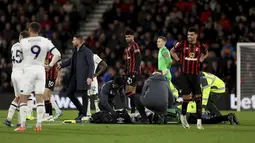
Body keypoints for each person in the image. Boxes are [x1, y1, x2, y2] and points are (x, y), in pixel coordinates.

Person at [16, 22, 61, 131]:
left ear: (29, 30)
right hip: (41, 70)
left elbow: (20, 58)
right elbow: (58, 54)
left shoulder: (23, 41)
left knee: (24, 97)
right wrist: (50, 65)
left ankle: (22, 125)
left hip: (29, 70)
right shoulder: (45, 41)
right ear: (39, 30)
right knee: (40, 97)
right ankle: (38, 125)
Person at [170, 27, 208, 129]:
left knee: (198, 98)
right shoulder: (182, 44)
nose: (189, 37)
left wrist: (201, 59)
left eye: (191, 35)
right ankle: (183, 116)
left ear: (196, 35)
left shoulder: (200, 45)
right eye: (188, 35)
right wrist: (178, 61)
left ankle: (199, 123)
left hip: (195, 74)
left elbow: (206, 52)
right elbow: (172, 51)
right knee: (186, 98)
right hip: (184, 75)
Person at [58, 35, 94, 120]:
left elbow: (91, 65)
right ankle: (82, 110)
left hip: (83, 76)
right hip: (75, 76)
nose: (72, 42)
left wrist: (90, 76)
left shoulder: (87, 51)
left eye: (74, 40)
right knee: (69, 93)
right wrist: (61, 65)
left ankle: (83, 114)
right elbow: (71, 61)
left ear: (79, 41)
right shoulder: (76, 51)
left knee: (84, 94)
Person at [4, 31, 29, 127]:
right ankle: (21, 123)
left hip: (14, 73)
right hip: (21, 74)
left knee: (18, 97)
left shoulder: (14, 46)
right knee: (23, 98)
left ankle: (9, 119)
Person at [124, 29, 142, 113]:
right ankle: (133, 111)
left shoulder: (134, 45)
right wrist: (125, 70)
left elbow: (138, 58)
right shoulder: (128, 47)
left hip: (134, 72)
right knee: (131, 92)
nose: (127, 38)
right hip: (130, 72)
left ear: (133, 37)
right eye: (126, 37)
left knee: (128, 92)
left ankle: (140, 106)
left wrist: (135, 71)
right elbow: (128, 60)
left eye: (129, 37)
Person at [86, 53, 108, 118]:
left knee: (95, 95)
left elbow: (105, 65)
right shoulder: (83, 57)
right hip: (85, 78)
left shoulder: (95, 56)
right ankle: (88, 112)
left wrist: (97, 74)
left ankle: (98, 110)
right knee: (87, 95)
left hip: (93, 78)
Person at [43, 51, 62, 121]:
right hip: (46, 77)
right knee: (48, 96)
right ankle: (49, 115)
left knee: (46, 94)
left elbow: (59, 66)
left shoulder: (54, 54)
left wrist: (59, 77)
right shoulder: (44, 54)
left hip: (52, 77)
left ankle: (49, 115)